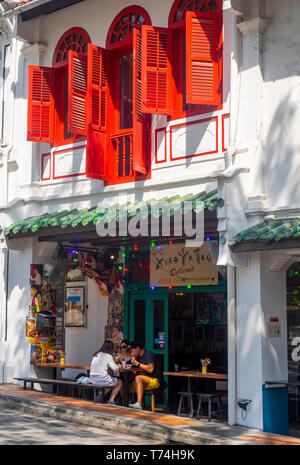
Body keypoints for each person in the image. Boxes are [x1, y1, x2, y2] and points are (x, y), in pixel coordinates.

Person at [128, 341, 162, 410]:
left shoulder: (149, 354)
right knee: (125, 386)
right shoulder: (136, 357)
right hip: (143, 381)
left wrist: (137, 364)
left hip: (154, 380)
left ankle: (139, 404)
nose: (132, 353)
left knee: (138, 378)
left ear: (137, 348)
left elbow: (151, 369)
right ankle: (130, 407)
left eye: (132, 351)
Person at [90, 340, 122, 405]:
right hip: (102, 379)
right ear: (111, 348)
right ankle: (111, 400)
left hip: (93, 379)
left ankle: (100, 396)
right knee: (119, 382)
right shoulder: (108, 356)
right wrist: (119, 366)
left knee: (110, 381)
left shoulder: (96, 354)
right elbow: (115, 368)